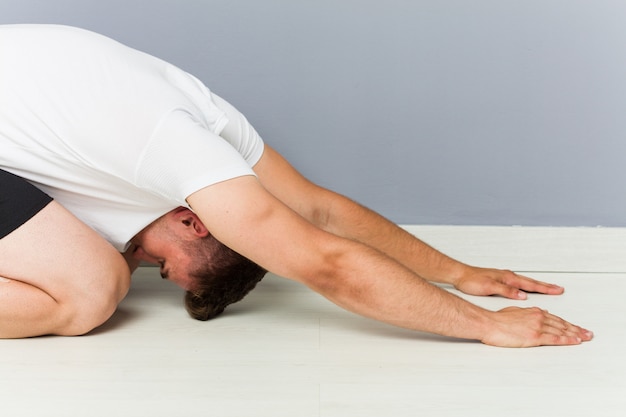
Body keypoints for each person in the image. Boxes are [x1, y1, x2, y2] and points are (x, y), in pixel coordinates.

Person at [0, 24, 593, 346]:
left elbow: (317, 210)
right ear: (194, 221)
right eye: (164, 264)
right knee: (89, 291)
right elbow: (327, 262)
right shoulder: (176, 148)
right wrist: (484, 324)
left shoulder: (210, 132)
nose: (144, 260)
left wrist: (458, 271)